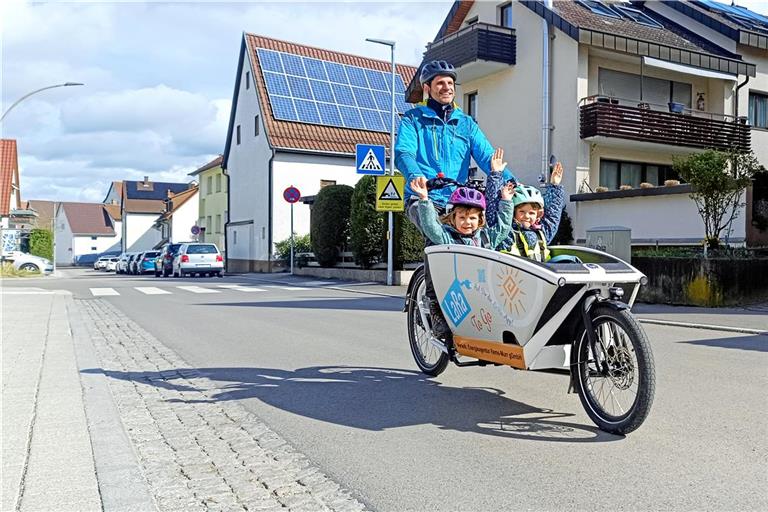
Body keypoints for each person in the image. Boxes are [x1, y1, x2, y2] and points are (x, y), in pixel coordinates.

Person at [395, 60, 518, 338]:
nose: (446, 87)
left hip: (457, 200)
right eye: (440, 83)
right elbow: (404, 152)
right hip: (424, 195)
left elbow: (488, 157)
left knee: (482, 238)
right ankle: (435, 308)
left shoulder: (466, 124)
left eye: (450, 83)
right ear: (427, 88)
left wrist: (512, 183)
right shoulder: (414, 119)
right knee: (436, 239)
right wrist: (415, 175)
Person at [485, 161, 566, 262]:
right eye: (522, 212)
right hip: (512, 275)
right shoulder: (505, 233)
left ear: (538, 215)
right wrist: (495, 174)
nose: (527, 216)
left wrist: (555, 186)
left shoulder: (542, 233)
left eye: (531, 213)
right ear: (513, 212)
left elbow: (553, 214)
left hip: (540, 276)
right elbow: (493, 206)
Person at [409, 178, 516, 249]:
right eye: (462, 217)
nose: (467, 222)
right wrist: (424, 199)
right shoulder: (447, 238)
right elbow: (430, 226)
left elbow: (504, 227)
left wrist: (506, 200)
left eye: (472, 218)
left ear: (480, 220)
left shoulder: (486, 238)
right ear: (453, 218)